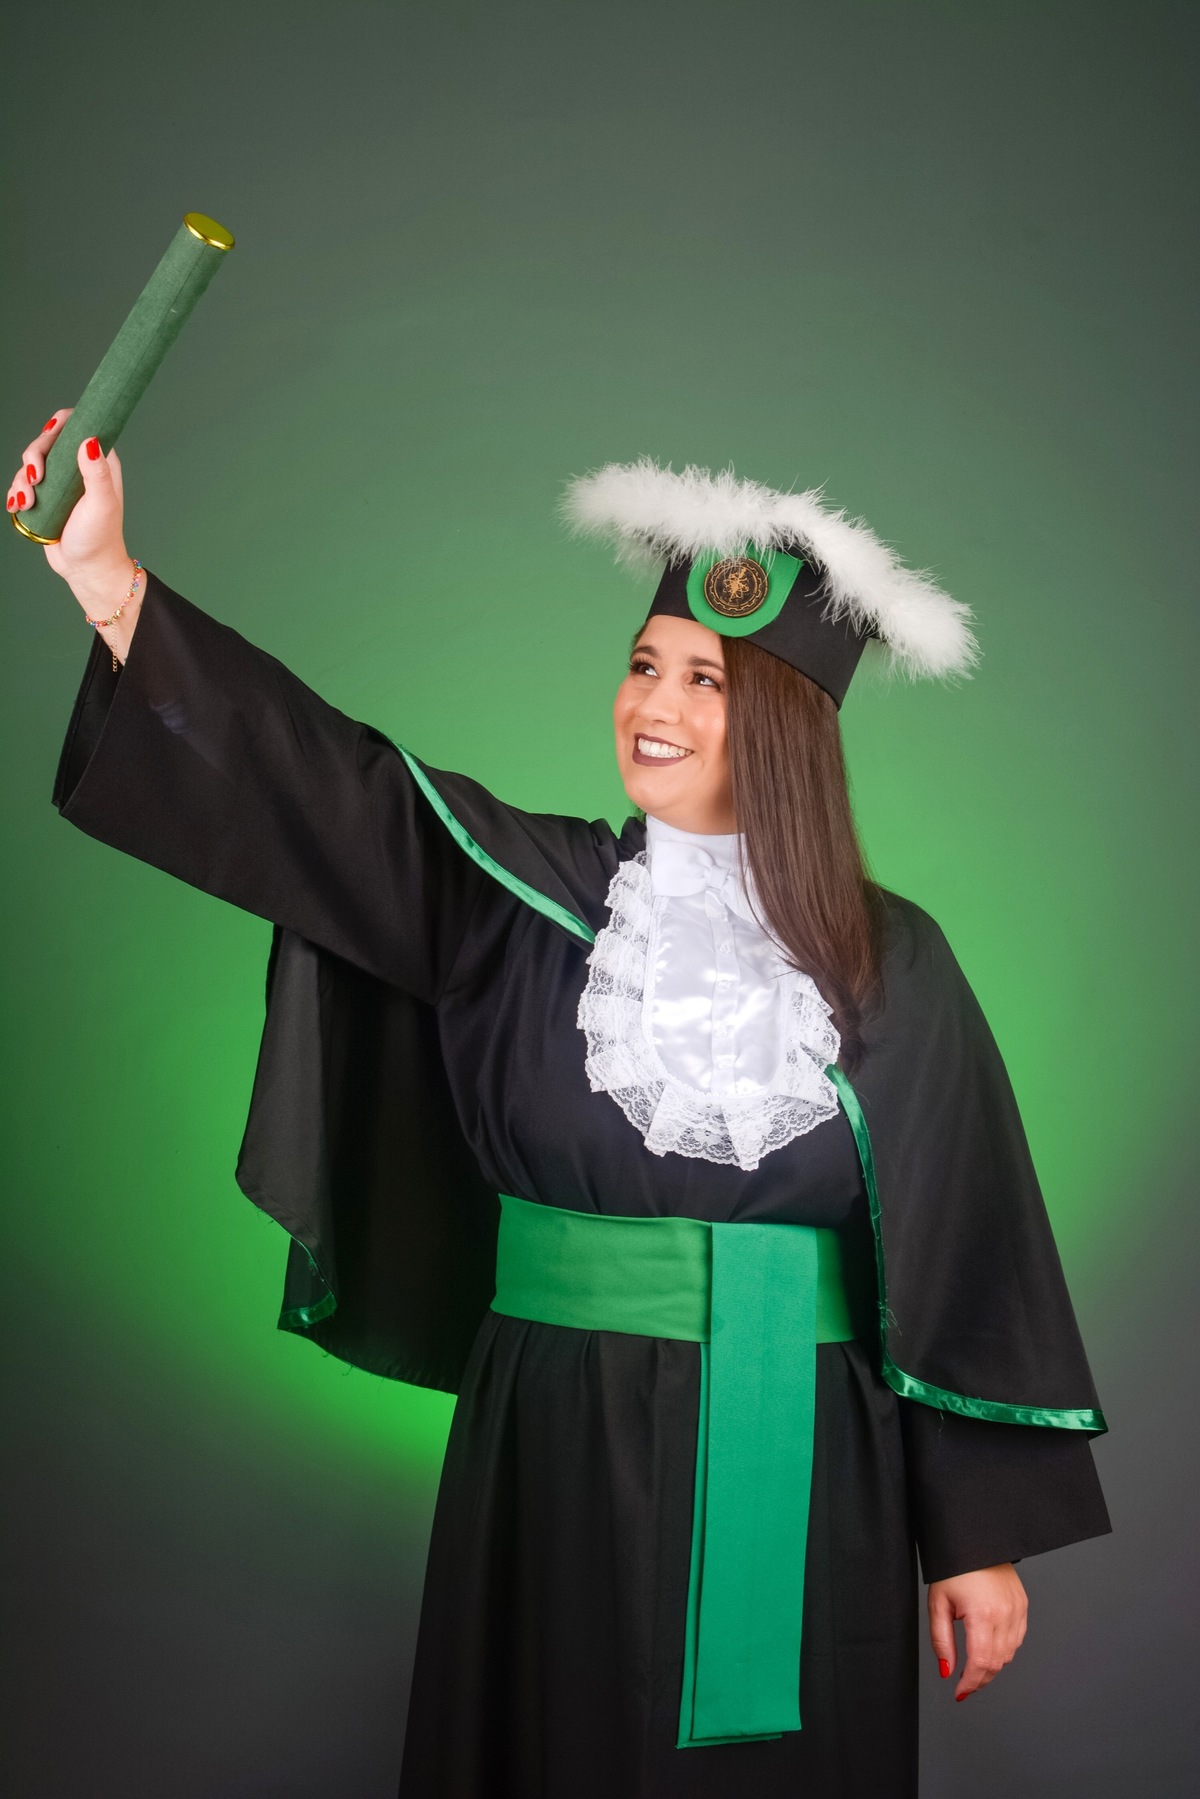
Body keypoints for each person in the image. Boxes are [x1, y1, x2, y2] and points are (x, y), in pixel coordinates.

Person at [9, 415, 1111, 1799]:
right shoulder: (519, 899)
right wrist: (109, 581)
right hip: (556, 1437)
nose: (656, 706)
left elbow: (970, 1241)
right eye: (646, 665)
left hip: (813, 1455)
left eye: (708, 682)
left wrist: (974, 1536)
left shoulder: (892, 961)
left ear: (788, 727)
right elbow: (326, 786)